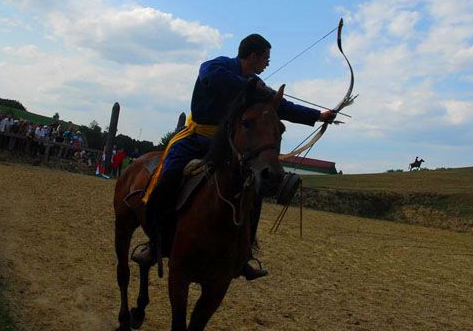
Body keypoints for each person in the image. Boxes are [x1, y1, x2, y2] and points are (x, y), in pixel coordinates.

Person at [133, 34, 335, 280]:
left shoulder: (255, 83)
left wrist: (318, 116)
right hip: (194, 137)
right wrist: (249, 86)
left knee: (252, 189)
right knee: (167, 178)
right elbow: (212, 77)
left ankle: (244, 254)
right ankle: (155, 244)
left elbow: (281, 107)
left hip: (224, 144)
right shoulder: (217, 67)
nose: (267, 64)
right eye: (266, 58)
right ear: (253, 56)